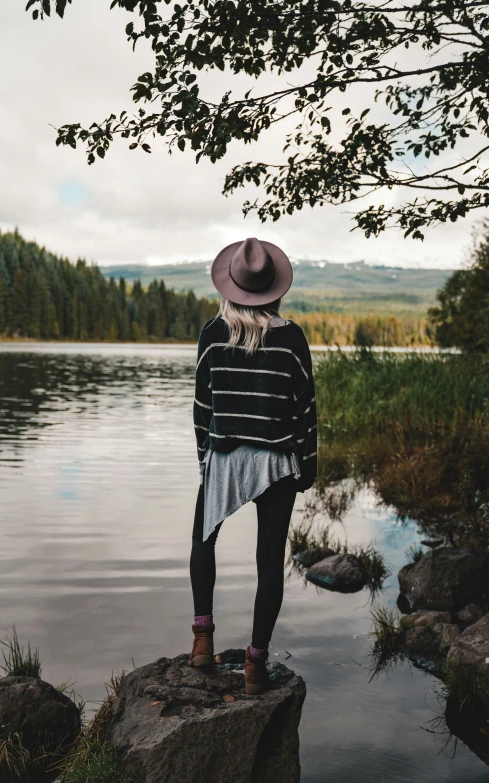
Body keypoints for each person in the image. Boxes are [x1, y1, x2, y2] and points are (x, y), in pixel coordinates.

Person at [189, 237, 317, 695]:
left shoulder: (211, 333)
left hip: (224, 453)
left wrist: (207, 458)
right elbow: (305, 411)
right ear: (274, 289)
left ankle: (202, 639)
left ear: (230, 287)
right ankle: (255, 664)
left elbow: (203, 406)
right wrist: (308, 468)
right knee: (269, 560)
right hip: (277, 459)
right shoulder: (291, 338)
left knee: (204, 538)